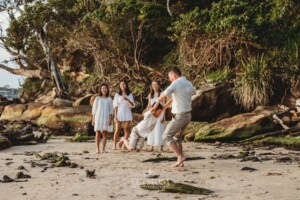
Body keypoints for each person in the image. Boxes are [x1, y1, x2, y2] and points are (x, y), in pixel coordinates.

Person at [154, 67, 196, 167]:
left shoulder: (176, 83)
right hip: (188, 115)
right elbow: (193, 92)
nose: (170, 79)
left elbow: (164, 94)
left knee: (166, 136)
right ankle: (180, 161)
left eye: (170, 77)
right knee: (177, 138)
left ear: (174, 75)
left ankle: (180, 156)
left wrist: (157, 103)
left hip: (180, 116)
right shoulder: (188, 83)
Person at [112, 81, 135, 150]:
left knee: (126, 129)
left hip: (127, 112)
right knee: (117, 130)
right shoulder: (117, 94)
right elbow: (115, 105)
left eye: (124, 84)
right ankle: (114, 145)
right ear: (119, 86)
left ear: (126, 85)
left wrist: (127, 99)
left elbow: (133, 105)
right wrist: (115, 116)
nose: (122, 85)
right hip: (119, 112)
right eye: (121, 84)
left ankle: (124, 144)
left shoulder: (129, 94)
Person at [92, 83, 113, 154]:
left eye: (105, 88)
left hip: (106, 117)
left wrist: (110, 119)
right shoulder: (97, 98)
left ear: (107, 90)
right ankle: (97, 149)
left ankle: (103, 149)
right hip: (98, 117)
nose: (104, 90)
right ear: (100, 90)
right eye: (103, 88)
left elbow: (111, 110)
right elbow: (94, 110)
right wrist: (93, 119)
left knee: (105, 133)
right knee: (97, 133)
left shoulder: (109, 99)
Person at [146, 81, 166, 152]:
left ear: (158, 85)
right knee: (152, 130)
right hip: (153, 114)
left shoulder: (162, 94)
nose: (154, 86)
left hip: (160, 113)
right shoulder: (150, 95)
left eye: (156, 84)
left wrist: (162, 116)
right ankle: (151, 146)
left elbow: (164, 106)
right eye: (153, 85)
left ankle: (161, 147)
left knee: (160, 130)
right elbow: (149, 105)